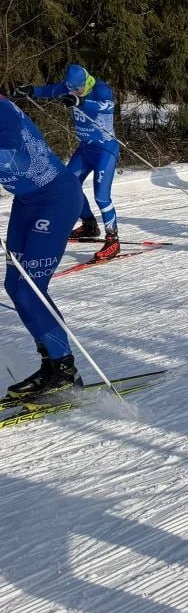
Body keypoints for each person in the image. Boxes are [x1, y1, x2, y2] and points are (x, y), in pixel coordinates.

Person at [1, 96, 84, 398]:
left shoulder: (2, 109)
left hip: (55, 201)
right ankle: (51, 364)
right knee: (15, 285)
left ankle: (64, 369)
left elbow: (9, 141)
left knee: (30, 287)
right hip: (27, 203)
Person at [18, 64, 122, 262]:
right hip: (85, 149)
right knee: (69, 185)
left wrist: (79, 101)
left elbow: (106, 106)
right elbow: (50, 90)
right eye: (71, 89)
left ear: (85, 82)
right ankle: (90, 225)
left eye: (77, 89)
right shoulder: (70, 88)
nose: (73, 92)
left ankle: (113, 240)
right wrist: (30, 90)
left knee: (101, 196)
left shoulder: (100, 89)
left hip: (105, 149)